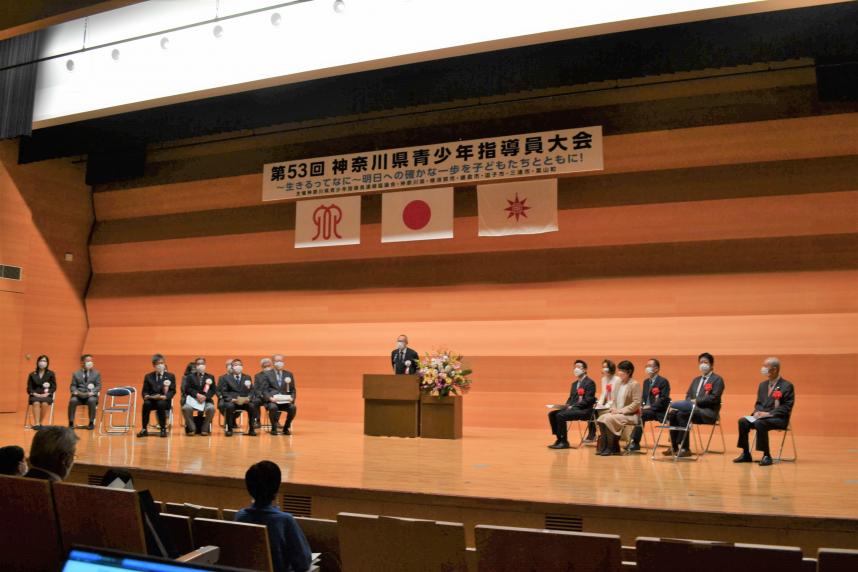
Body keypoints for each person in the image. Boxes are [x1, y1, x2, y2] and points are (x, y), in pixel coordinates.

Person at [236, 461, 312, 572]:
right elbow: (303, 563)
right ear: (277, 487)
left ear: (249, 488)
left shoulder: (240, 516)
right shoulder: (285, 521)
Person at [734, 357, 795, 466]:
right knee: (742, 421)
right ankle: (746, 454)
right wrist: (756, 412)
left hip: (779, 418)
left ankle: (766, 455)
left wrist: (768, 414)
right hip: (761, 417)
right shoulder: (762, 385)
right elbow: (758, 403)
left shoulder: (787, 386)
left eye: (766, 367)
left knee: (759, 423)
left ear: (775, 369)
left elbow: (786, 407)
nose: (763, 369)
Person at [666, 352, 725, 458]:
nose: (703, 364)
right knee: (673, 413)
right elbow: (688, 395)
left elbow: (714, 398)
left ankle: (685, 448)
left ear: (711, 365)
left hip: (708, 412)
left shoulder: (717, 380)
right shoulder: (696, 380)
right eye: (701, 362)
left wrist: (696, 401)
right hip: (693, 410)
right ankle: (674, 446)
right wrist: (690, 402)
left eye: (705, 362)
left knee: (683, 415)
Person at [595, 360, 642, 456]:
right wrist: (613, 409)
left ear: (629, 372)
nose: (619, 372)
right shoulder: (618, 383)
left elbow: (636, 403)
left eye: (622, 370)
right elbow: (614, 400)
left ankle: (610, 447)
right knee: (601, 418)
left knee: (608, 419)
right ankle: (607, 445)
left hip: (631, 415)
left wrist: (620, 411)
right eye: (619, 370)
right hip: (618, 413)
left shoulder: (634, 384)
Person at [547, 360, 596, 449]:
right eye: (575, 367)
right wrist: (566, 405)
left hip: (584, 411)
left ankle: (564, 442)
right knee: (552, 414)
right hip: (573, 409)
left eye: (579, 367)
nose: (576, 369)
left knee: (560, 415)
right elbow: (571, 399)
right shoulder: (574, 384)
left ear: (584, 370)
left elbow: (589, 400)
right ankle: (559, 439)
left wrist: (573, 407)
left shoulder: (590, 383)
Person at [629, 358, 671, 451]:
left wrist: (650, 406)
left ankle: (634, 442)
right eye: (646, 366)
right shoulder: (646, 382)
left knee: (640, 414)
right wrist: (641, 405)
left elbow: (663, 400)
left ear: (656, 369)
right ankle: (633, 441)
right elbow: (644, 398)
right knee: (637, 412)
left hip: (659, 411)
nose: (647, 368)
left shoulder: (663, 381)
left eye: (649, 366)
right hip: (648, 410)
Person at [138, 354, 176, 438]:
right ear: (154, 365)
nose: (160, 365)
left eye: (162, 363)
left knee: (160, 404)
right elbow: (144, 391)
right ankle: (144, 429)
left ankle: (163, 429)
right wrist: (146, 396)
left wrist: (166, 396)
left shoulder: (170, 376)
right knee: (146, 404)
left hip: (164, 401)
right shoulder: (148, 376)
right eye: (158, 363)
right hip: (151, 400)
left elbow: (172, 391)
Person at [260, 354, 298, 436]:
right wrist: (270, 398)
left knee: (293, 408)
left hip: (285, 401)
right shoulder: (267, 374)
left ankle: (286, 428)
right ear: (273, 362)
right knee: (273, 407)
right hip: (273, 401)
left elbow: (293, 389)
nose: (280, 363)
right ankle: (274, 428)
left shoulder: (289, 374)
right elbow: (264, 390)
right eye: (277, 361)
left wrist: (292, 398)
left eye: (281, 361)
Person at [222, 358, 259, 437]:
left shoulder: (247, 377)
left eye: (240, 365)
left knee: (252, 406)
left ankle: (252, 429)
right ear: (232, 367)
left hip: (244, 401)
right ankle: (229, 429)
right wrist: (231, 399)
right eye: (236, 365)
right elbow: (224, 392)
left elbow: (251, 390)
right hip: (233, 401)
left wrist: (249, 398)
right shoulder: (226, 378)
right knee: (229, 406)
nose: (238, 366)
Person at [181, 357, 217, 436]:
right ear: (196, 366)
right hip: (193, 400)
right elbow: (187, 389)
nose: (200, 365)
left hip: (206, 400)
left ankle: (205, 428)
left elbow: (213, 390)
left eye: (202, 364)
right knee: (185, 408)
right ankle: (192, 428)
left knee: (211, 409)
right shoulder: (190, 377)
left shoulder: (210, 377)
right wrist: (197, 395)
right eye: (198, 364)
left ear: (205, 365)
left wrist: (205, 397)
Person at [590, 359, 620, 443]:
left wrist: (610, 404)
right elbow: (604, 393)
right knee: (593, 411)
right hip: (607, 403)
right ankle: (592, 434)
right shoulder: (603, 379)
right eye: (603, 367)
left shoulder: (617, 379)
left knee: (603, 412)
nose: (604, 369)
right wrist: (599, 404)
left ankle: (607, 435)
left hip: (614, 404)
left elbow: (617, 395)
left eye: (606, 367)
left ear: (611, 368)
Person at [68, 354, 101, 430]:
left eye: (91, 361)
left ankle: (91, 422)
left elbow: (98, 386)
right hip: (79, 395)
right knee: (72, 401)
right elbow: (73, 386)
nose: (90, 362)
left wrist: (92, 392)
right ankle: (71, 422)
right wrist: (75, 392)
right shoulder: (76, 373)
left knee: (92, 401)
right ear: (82, 362)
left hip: (90, 395)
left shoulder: (96, 373)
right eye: (88, 361)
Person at [27, 354, 56, 429]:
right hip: (35, 395)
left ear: (47, 363)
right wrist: (34, 393)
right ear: (37, 362)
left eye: (44, 361)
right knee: (36, 403)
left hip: (46, 395)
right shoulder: (32, 374)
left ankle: (39, 423)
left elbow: (54, 387)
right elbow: (29, 387)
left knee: (44, 404)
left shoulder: (51, 374)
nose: (42, 362)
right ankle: (37, 424)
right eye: (41, 360)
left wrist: (48, 393)